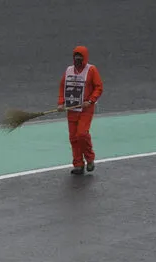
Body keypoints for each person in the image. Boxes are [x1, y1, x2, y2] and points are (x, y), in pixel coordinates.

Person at [57, 45, 103, 175]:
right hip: (71, 109)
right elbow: (62, 87)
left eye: (80, 58)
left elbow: (98, 87)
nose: (77, 61)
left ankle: (90, 159)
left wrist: (90, 101)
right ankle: (78, 164)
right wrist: (61, 103)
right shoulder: (69, 70)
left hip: (85, 109)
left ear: (84, 58)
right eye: (75, 58)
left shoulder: (91, 70)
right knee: (73, 138)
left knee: (82, 134)